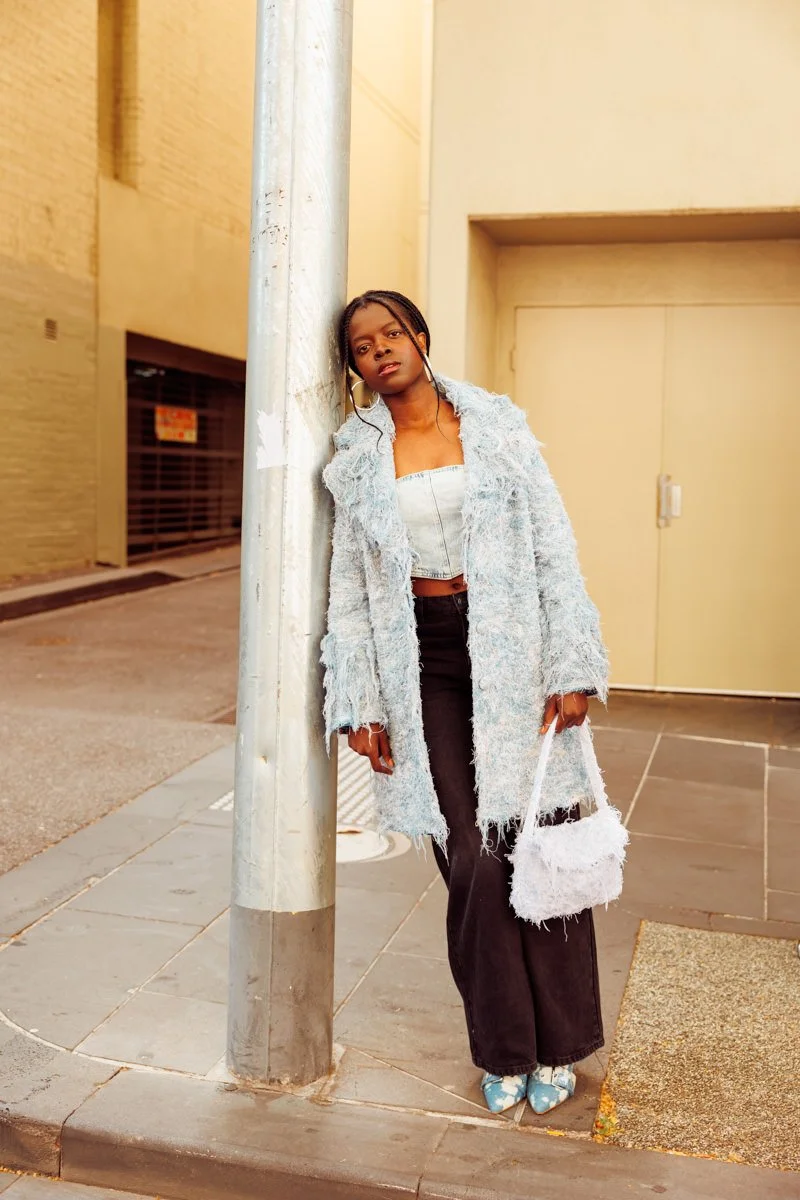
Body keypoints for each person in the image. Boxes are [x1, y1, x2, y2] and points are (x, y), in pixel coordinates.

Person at [320, 289, 609, 1115]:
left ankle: (559, 1043)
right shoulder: (356, 456)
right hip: (423, 656)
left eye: (391, 333)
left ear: (418, 337)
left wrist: (572, 664)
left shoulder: (496, 427)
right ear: (354, 368)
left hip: (511, 642)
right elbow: (349, 591)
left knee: (536, 843)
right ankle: (505, 1047)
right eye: (362, 345)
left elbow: (554, 547)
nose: (380, 350)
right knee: (473, 857)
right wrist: (362, 701)